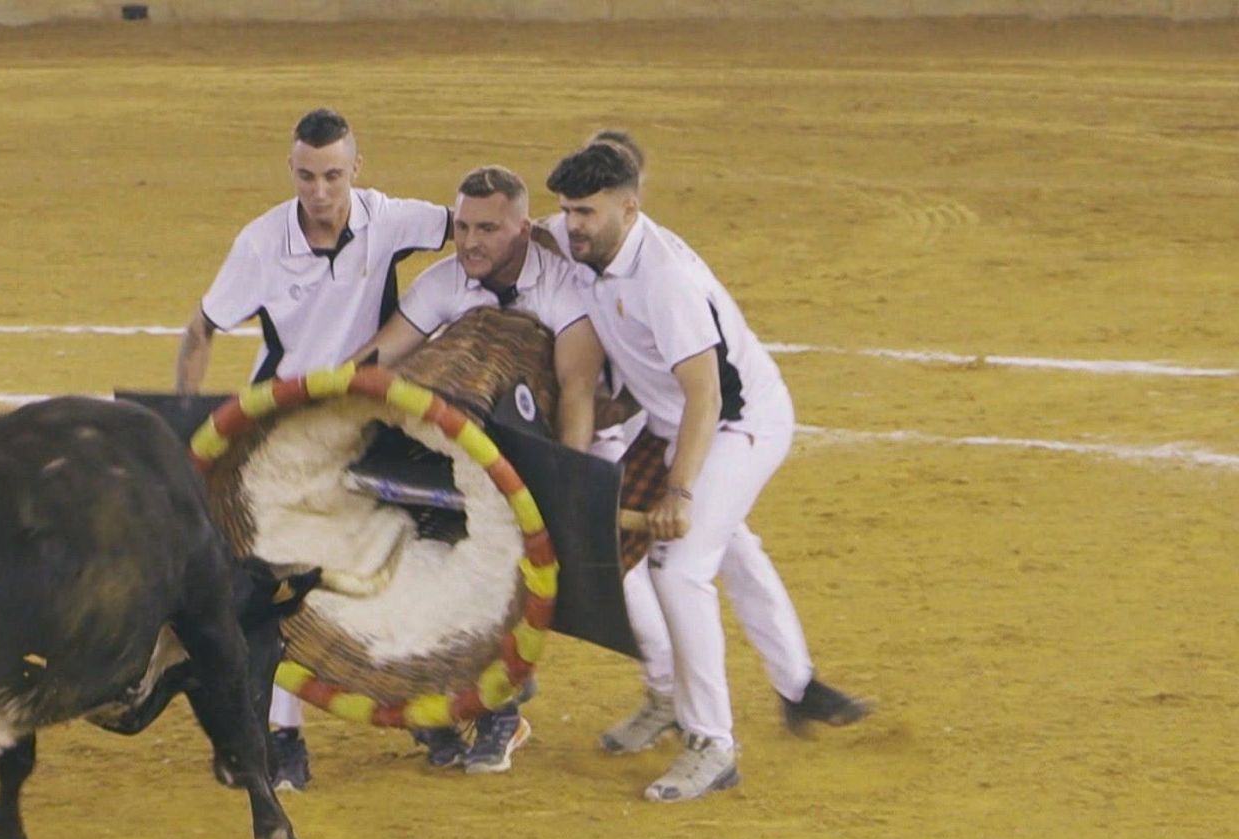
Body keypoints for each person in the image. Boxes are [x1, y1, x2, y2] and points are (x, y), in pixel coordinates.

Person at [546, 141, 866, 802]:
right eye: (567, 210)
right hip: (674, 423)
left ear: (628, 209)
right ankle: (788, 687)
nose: (573, 224)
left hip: (738, 426)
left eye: (587, 212)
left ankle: (712, 743)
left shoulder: (663, 280)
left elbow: (706, 396)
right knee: (722, 549)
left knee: (680, 565)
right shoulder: (581, 241)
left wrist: (681, 490)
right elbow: (519, 235)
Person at [175, 108, 451, 791]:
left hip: (368, 425)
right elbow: (202, 327)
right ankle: (285, 737)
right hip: (283, 433)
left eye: (333, 175)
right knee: (279, 581)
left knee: (386, 568)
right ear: (291, 172)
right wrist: (184, 418)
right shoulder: (261, 243)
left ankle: (423, 713)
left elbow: (475, 227)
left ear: (357, 170)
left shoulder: (388, 219)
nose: (320, 191)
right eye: (306, 176)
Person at [351, 164, 605, 774]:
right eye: (462, 227)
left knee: (501, 576)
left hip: (550, 443)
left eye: (487, 229)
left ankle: (502, 713)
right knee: (423, 559)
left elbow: (577, 389)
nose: (469, 242)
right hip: (464, 454)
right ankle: (438, 707)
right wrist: (331, 400)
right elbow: (380, 357)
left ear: (523, 228)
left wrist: (567, 478)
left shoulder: (564, 287)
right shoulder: (446, 281)